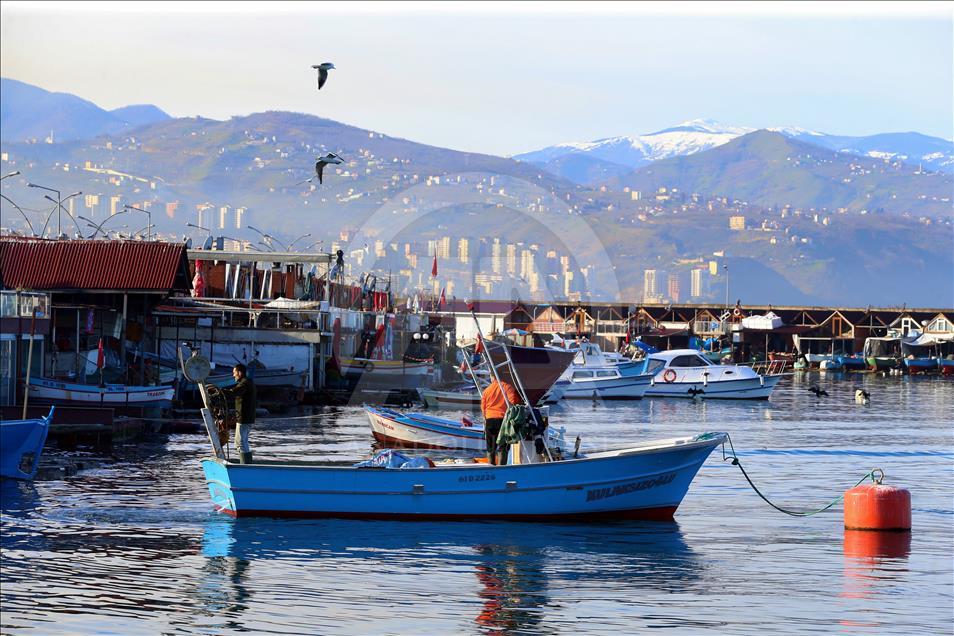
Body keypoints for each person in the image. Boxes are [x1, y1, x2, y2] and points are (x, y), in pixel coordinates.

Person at [480, 377, 521, 466]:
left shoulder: (487, 390)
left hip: (489, 420)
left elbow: (483, 408)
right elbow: (514, 402)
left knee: (491, 448)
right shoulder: (507, 387)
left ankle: (491, 469)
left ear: (492, 377)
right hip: (503, 420)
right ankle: (502, 469)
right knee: (503, 447)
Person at [223, 363, 257, 464]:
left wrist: (219, 391)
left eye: (234, 373)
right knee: (241, 442)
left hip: (244, 418)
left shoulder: (244, 383)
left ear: (239, 372)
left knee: (240, 443)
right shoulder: (249, 382)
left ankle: (246, 465)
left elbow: (234, 392)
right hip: (247, 418)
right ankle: (246, 463)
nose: (233, 375)